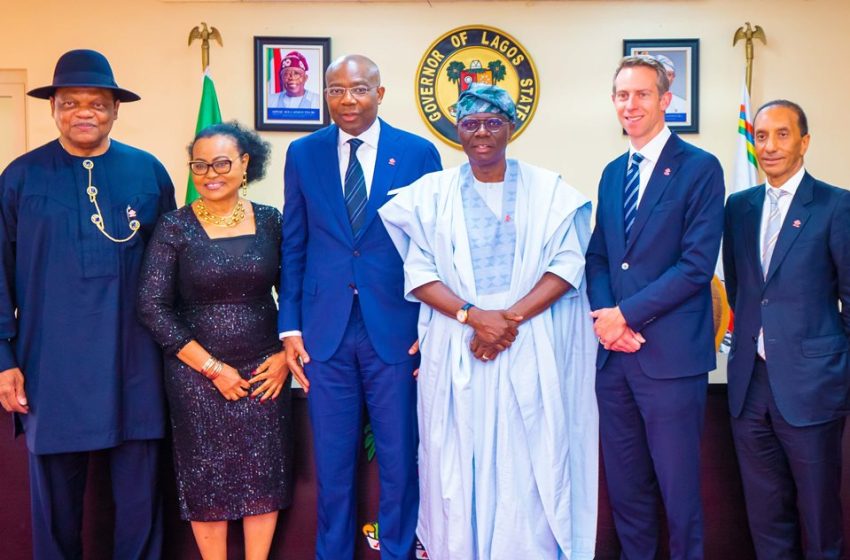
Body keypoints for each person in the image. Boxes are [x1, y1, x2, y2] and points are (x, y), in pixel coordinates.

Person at [379, 84, 598, 560]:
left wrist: (504, 322)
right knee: (457, 459)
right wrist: (475, 318)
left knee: (527, 460)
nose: (481, 133)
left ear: (511, 127)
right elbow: (418, 275)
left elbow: (566, 265)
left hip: (529, 340)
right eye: (470, 123)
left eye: (493, 122)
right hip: (458, 342)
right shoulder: (430, 195)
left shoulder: (549, 190)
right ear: (456, 130)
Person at [0, 49, 175, 559]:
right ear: (53, 107)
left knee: (141, 503)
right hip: (49, 364)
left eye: (97, 103)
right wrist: (4, 359)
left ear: (115, 110)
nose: (84, 112)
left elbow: (173, 267)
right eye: (70, 102)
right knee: (54, 510)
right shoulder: (21, 177)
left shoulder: (148, 172)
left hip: (134, 361)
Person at [279, 54, 441, 560]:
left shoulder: (416, 153)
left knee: (399, 459)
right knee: (332, 462)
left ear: (380, 93)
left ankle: (396, 551)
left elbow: (435, 246)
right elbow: (294, 243)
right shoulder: (303, 154)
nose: (347, 99)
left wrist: (431, 322)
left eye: (359, 89)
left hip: (395, 330)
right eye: (336, 90)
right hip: (324, 334)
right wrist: (290, 329)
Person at [585, 55, 724, 560]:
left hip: (669, 360)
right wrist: (606, 319)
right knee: (627, 492)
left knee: (680, 494)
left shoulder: (700, 168)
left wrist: (627, 315)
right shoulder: (611, 172)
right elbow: (599, 255)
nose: (631, 104)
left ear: (665, 100)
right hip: (613, 359)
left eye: (642, 94)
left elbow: (695, 266)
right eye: (622, 95)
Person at [137, 121, 292, 560]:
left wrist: (283, 355)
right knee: (208, 479)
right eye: (200, 164)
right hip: (196, 377)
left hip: (266, 373)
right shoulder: (174, 227)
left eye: (222, 162)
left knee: (265, 477)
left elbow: (297, 292)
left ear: (245, 164)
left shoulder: (271, 220)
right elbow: (151, 307)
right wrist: (212, 368)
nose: (210, 172)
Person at [722, 100, 850, 560]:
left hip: (812, 386)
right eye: (761, 136)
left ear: (804, 142)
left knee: (819, 517)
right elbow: (740, 290)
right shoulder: (738, 207)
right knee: (765, 515)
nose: (769, 145)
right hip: (750, 387)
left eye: (781, 134)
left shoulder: (837, 205)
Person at [654, 54, 688, 119]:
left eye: (669, 74)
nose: (665, 78)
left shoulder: (683, 105)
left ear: (673, 77)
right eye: (660, 74)